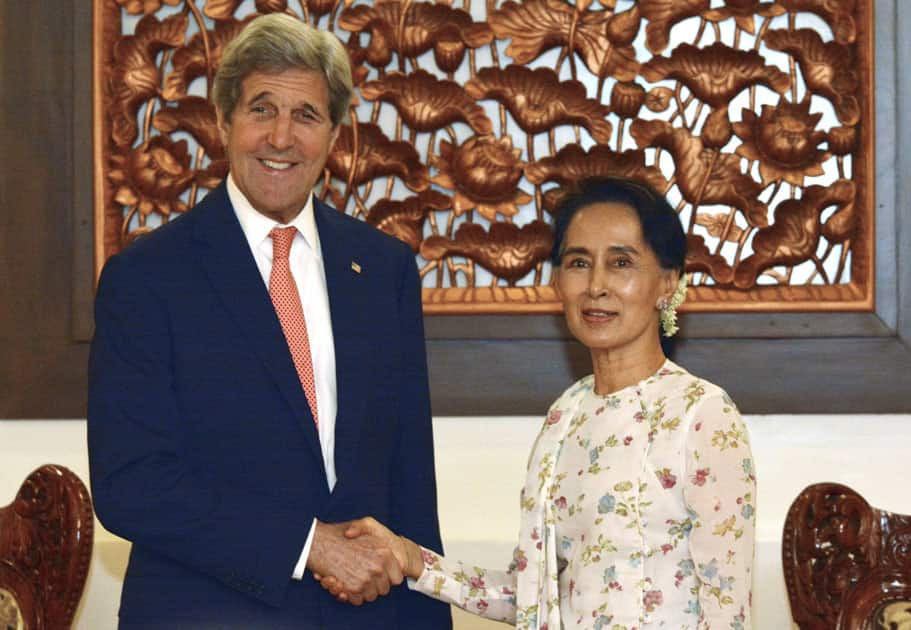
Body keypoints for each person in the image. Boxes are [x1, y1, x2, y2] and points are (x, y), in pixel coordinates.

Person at [87, 13, 451, 629]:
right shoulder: (147, 279)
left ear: (333, 134)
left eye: (306, 115)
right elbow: (132, 483)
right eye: (262, 109)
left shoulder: (384, 270)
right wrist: (309, 544)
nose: (281, 137)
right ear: (225, 121)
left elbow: (410, 486)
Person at [320, 177, 757, 628]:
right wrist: (412, 560)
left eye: (621, 262)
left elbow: (729, 614)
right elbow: (531, 596)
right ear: (557, 281)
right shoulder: (565, 415)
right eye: (579, 262)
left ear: (667, 283)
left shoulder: (701, 415)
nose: (597, 285)